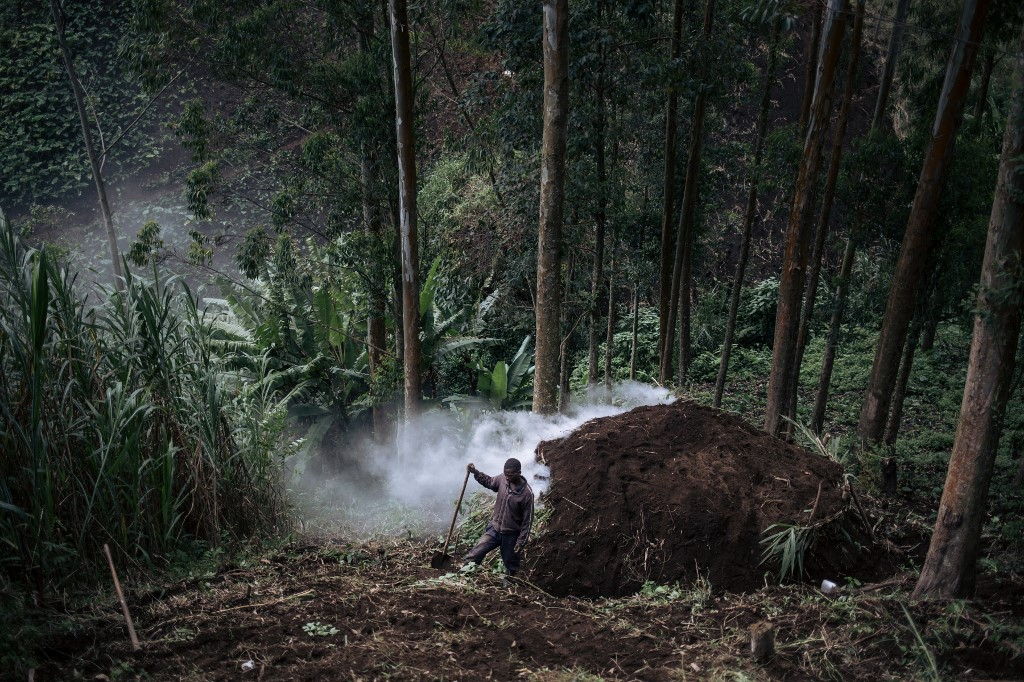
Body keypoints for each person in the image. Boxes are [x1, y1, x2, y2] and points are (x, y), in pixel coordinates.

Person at [463, 457, 534, 576]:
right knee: (474, 554)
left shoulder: (527, 494)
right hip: (494, 529)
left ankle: (509, 585)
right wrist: (476, 473)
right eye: (505, 474)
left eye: (510, 475)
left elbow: (527, 522)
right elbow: (490, 482)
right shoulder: (502, 479)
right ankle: (464, 576)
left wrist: (521, 542)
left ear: (519, 473)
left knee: (511, 565)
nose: (507, 477)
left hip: (511, 536)